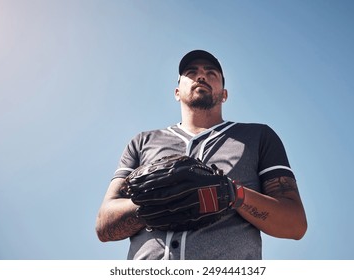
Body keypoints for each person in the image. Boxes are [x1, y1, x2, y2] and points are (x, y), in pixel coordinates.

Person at [95, 50, 307, 260]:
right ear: (177, 92)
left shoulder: (259, 136)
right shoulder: (141, 142)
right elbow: (104, 226)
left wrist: (234, 195)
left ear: (224, 94)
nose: (201, 76)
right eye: (191, 72)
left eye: (211, 73)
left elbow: (295, 225)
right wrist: (158, 202)